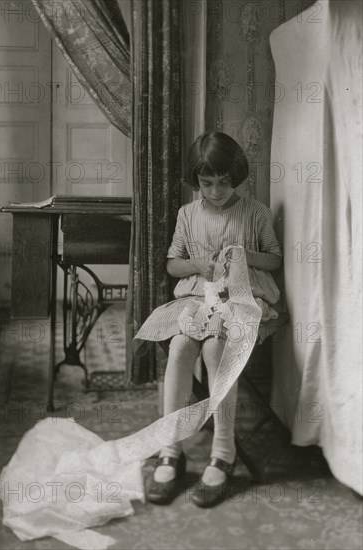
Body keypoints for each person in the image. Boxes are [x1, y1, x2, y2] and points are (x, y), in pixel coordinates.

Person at [133, 131, 282, 507]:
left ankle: (224, 451)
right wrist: (199, 264)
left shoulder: (256, 212)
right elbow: (172, 265)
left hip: (241, 300)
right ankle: (171, 449)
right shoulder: (188, 214)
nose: (215, 191)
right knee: (182, 345)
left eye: (223, 183)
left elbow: (275, 259)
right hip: (198, 298)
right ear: (195, 180)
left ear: (237, 177)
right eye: (206, 183)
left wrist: (244, 254)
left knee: (217, 350)